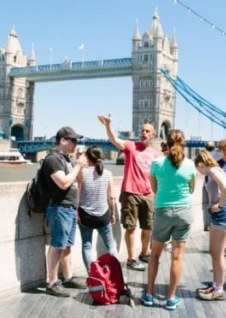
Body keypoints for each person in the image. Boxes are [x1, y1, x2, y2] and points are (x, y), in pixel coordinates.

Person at [140, 130, 196, 310]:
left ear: (167, 142)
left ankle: (148, 294)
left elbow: (154, 189)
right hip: (184, 212)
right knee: (177, 257)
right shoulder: (189, 164)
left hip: (163, 211)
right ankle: (171, 298)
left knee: (155, 254)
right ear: (183, 143)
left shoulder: (156, 163)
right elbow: (192, 189)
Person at [97, 114, 158, 271]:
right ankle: (131, 258)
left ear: (153, 134)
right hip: (131, 193)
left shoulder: (156, 154)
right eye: (142, 130)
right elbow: (114, 140)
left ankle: (144, 253)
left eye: (147, 131)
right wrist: (108, 125)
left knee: (148, 227)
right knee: (130, 227)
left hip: (149, 194)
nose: (144, 133)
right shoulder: (131, 146)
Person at [44, 126, 88, 297]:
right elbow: (62, 183)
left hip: (69, 207)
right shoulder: (52, 160)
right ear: (62, 141)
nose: (76, 144)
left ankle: (68, 277)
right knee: (57, 245)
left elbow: (79, 179)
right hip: (59, 207)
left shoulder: (66, 159)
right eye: (73, 140)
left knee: (67, 245)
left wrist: (78, 164)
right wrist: (77, 165)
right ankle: (52, 282)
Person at [194, 150, 226, 301]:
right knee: (214, 252)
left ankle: (219, 289)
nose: (199, 172)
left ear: (201, 164)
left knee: (218, 254)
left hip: (221, 215)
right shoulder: (220, 171)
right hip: (221, 214)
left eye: (198, 169)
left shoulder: (214, 171)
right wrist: (225, 204)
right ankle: (215, 285)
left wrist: (221, 205)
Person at [76, 145, 118, 272]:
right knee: (111, 245)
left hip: (85, 216)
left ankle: (93, 275)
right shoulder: (108, 174)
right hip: (102, 216)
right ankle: (116, 273)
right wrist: (113, 213)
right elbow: (111, 197)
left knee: (86, 246)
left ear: (87, 157)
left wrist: (79, 157)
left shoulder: (82, 172)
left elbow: (77, 181)